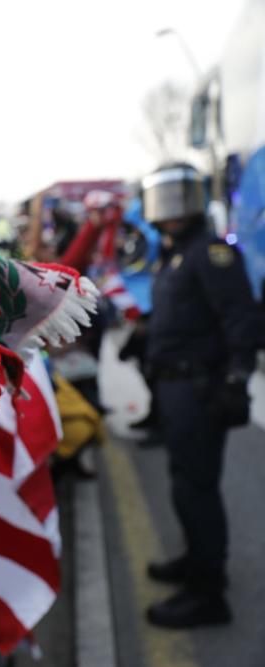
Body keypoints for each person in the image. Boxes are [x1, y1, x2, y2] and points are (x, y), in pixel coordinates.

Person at [141, 162, 262, 628]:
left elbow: (241, 320)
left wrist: (236, 379)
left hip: (199, 390)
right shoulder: (176, 253)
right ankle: (197, 563)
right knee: (185, 483)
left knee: (197, 490)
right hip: (176, 390)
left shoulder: (209, 253)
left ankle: (208, 594)